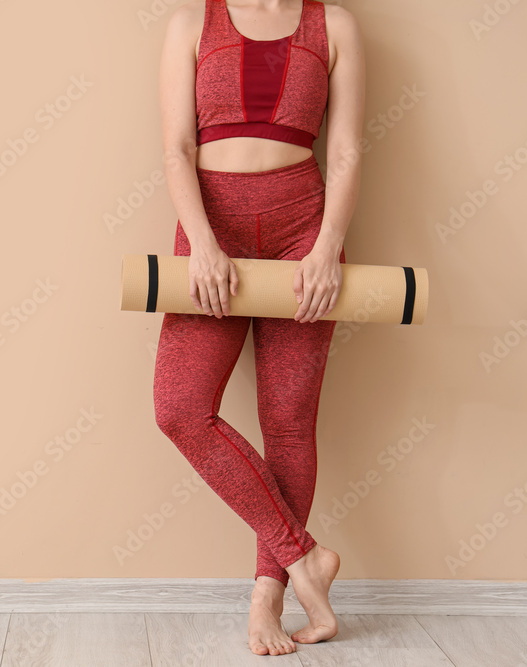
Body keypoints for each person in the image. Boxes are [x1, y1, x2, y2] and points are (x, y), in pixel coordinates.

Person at [153, 0, 365, 656]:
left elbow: (349, 146)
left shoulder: (337, 26)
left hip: (305, 232)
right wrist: (203, 243)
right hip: (214, 234)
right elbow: (178, 149)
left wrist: (329, 246)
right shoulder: (190, 24)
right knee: (180, 408)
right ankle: (307, 559)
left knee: (289, 425)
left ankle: (268, 602)